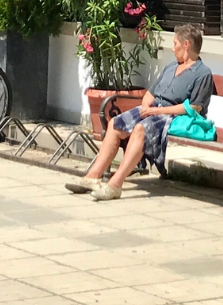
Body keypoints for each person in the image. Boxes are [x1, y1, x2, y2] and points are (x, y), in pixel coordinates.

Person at [68, 24, 213, 201]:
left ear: (186, 45)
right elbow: (150, 93)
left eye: (175, 43)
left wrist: (156, 111)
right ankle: (93, 177)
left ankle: (115, 184)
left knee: (140, 129)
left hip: (172, 116)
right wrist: (146, 107)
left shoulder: (202, 73)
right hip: (152, 110)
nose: (172, 47)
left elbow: (193, 107)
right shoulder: (171, 67)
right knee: (115, 123)